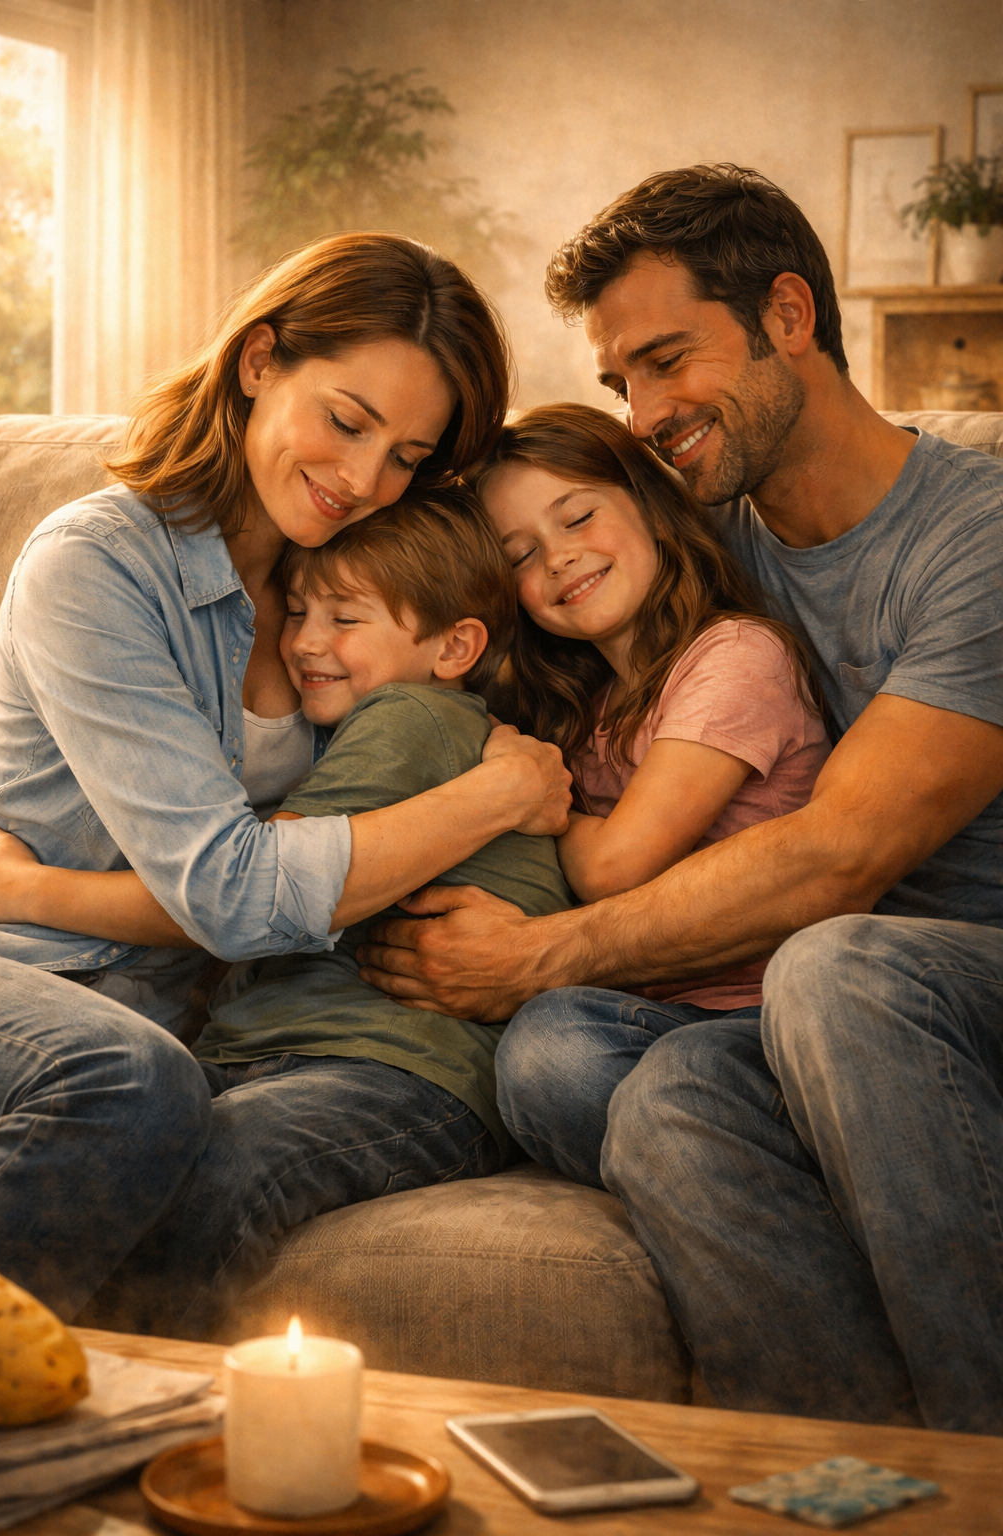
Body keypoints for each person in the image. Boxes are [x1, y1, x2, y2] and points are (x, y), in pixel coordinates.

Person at [355, 168, 1003, 1434]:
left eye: (666, 361)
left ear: (789, 315)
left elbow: (839, 859)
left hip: (944, 982)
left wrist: (535, 954)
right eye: (622, 386)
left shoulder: (975, 539)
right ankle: (839, 1478)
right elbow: (495, 569)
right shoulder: (706, 546)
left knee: (837, 971)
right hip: (779, 1010)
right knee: (623, 1083)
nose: (647, 414)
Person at [0, 233, 570, 1320]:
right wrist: (494, 792)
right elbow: (238, 892)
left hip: (178, 1005)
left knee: (164, 1094)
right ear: (259, 363)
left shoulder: (327, 586)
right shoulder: (97, 563)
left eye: (405, 456)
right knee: (129, 1082)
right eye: (346, 421)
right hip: (27, 974)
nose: (361, 479)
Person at [80, 487, 572, 1338]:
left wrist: (19, 889)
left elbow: (245, 888)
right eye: (298, 610)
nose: (305, 641)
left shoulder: (412, 716)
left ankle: (139, 1390)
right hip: (274, 1056)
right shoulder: (359, 730)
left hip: (398, 1073)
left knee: (218, 1167)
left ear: (455, 646)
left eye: (346, 620)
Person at [469, 401, 829, 1174]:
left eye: (577, 518)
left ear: (654, 507)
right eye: (520, 555)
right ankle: (691, 1162)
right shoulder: (582, 707)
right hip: (648, 1011)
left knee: (553, 1051)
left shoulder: (735, 656)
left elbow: (613, 868)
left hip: (763, 1019)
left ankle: (744, 1156)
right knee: (540, 1045)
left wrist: (525, 791)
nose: (557, 559)